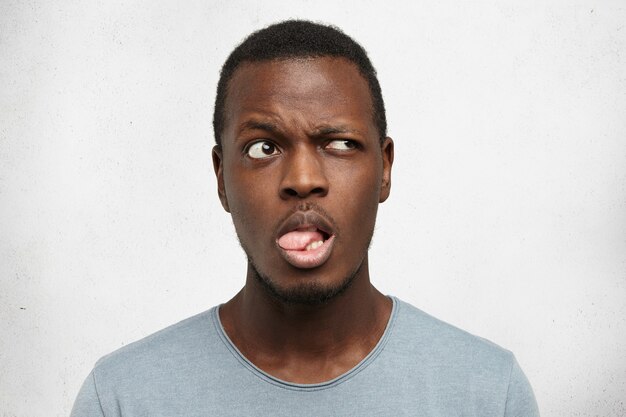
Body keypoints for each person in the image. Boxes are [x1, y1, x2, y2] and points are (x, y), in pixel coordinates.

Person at [71, 20, 539, 416]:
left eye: (339, 144)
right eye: (263, 148)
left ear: (385, 169)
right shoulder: (122, 399)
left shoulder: (487, 394)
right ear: (221, 178)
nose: (302, 179)